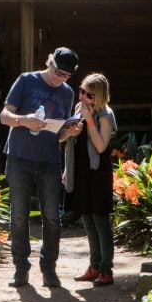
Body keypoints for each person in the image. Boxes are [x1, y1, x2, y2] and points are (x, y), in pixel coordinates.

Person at [0, 46, 82, 288]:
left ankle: (49, 269)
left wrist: (70, 131)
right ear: (49, 62)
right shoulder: (26, 80)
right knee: (18, 216)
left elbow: (58, 134)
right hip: (19, 156)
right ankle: (20, 269)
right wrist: (23, 121)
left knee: (52, 218)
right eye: (58, 72)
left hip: (48, 160)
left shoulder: (67, 93)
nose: (60, 79)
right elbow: (4, 116)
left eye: (66, 76)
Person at [64, 73, 117, 287]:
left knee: (100, 220)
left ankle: (106, 269)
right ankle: (94, 266)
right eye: (81, 91)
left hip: (98, 172)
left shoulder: (105, 114)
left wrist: (89, 122)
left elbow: (101, 145)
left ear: (100, 96)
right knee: (87, 219)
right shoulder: (78, 109)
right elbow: (69, 141)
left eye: (89, 94)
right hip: (81, 171)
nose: (83, 97)